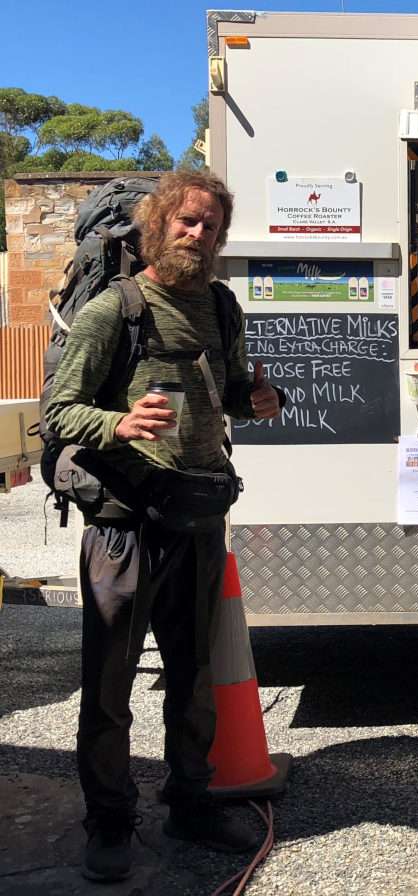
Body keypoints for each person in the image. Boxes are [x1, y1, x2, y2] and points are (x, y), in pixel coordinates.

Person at [45, 172, 283, 882]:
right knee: (111, 683)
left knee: (195, 676)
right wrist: (117, 422)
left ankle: (191, 801)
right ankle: (111, 823)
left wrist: (260, 397)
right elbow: (58, 412)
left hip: (198, 516)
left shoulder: (220, 306)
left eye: (210, 225)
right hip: (125, 522)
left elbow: (234, 389)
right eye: (186, 221)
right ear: (157, 225)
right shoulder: (115, 310)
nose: (198, 234)